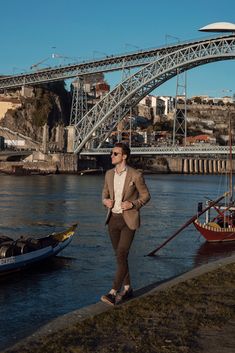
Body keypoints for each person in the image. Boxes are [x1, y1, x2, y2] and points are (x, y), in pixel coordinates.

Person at [101, 142, 151, 305]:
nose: (112, 156)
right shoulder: (109, 174)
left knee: (122, 254)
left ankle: (113, 292)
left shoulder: (135, 175)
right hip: (112, 220)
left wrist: (133, 204)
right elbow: (105, 193)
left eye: (115, 153)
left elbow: (146, 196)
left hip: (128, 220)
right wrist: (105, 201)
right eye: (112, 153)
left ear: (124, 156)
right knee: (120, 257)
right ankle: (128, 288)